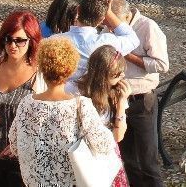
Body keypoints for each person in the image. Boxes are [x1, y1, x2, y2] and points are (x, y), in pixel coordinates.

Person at [9, 37, 115, 187]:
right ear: (70, 69)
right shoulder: (81, 106)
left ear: (41, 67)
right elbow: (105, 145)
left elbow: (14, 145)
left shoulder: (26, 104)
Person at [0, 10, 46, 187]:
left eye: (19, 40)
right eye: (8, 39)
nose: (13, 45)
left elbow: (46, 120)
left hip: (25, 162)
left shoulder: (40, 74)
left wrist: (20, 143)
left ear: (31, 41)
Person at [109, 0, 168, 187]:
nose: (111, 29)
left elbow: (162, 64)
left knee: (148, 162)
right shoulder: (109, 27)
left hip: (142, 100)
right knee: (127, 160)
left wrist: (128, 56)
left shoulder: (148, 27)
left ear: (127, 16)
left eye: (114, 24)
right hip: (118, 100)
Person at [56, 0, 140, 91]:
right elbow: (133, 39)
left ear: (78, 11)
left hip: (59, 95)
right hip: (93, 97)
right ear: (102, 20)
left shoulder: (55, 41)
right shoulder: (106, 42)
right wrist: (109, 13)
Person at [79, 46, 130, 187]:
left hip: (107, 155)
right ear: (103, 75)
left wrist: (121, 104)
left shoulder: (117, 94)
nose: (122, 76)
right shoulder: (78, 92)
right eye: (117, 74)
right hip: (84, 155)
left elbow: (118, 136)